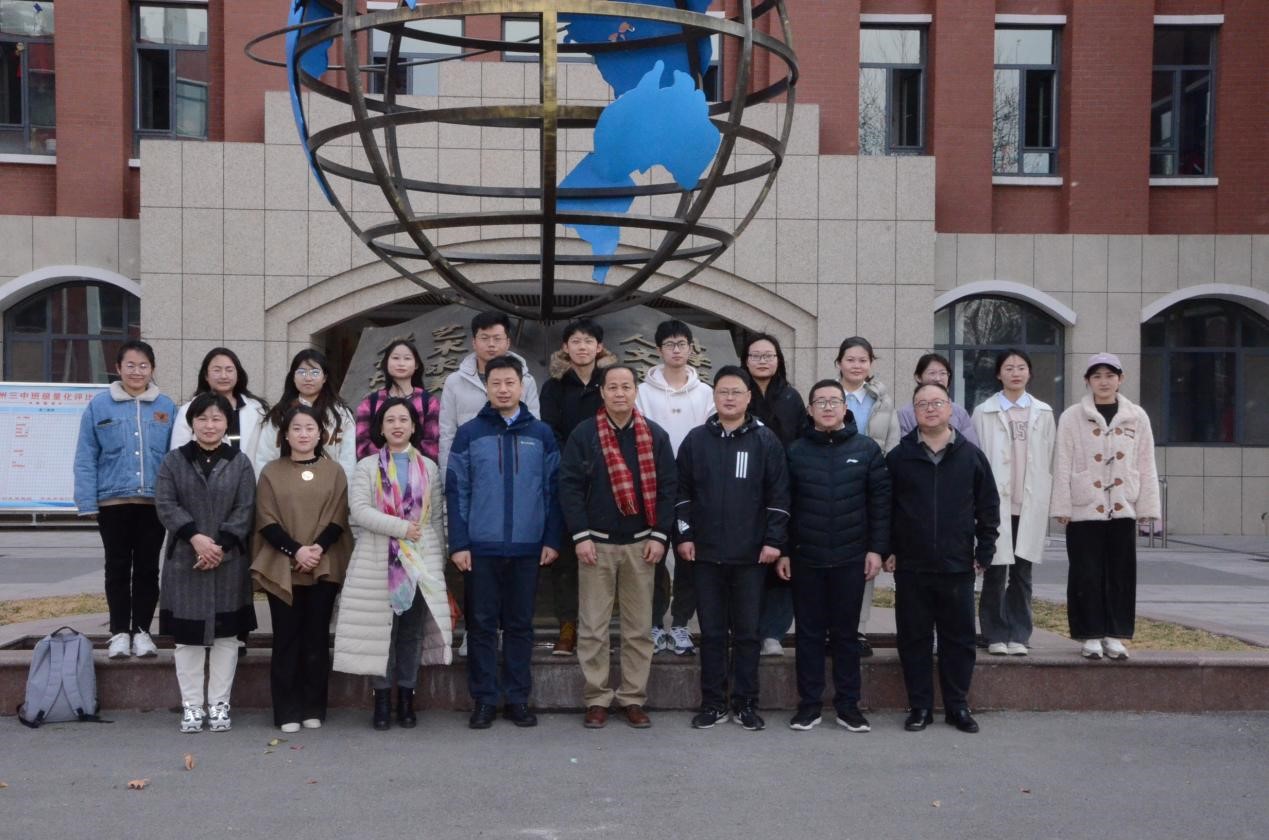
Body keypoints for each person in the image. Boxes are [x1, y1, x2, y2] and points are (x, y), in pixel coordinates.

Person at [445, 355, 562, 729]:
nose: (503, 389)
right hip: (481, 548)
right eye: (495, 383)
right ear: (487, 387)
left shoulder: (541, 434)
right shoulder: (470, 433)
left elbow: (553, 490)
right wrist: (459, 543)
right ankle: (484, 699)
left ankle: (517, 698)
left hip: (528, 547)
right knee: (480, 626)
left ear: (521, 386)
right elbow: (456, 490)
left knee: (520, 625)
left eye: (510, 382)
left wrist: (551, 538)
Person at [559, 365, 677, 730]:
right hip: (596, 544)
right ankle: (597, 698)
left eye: (626, 386)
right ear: (603, 392)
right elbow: (569, 486)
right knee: (593, 627)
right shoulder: (584, 434)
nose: (620, 393)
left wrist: (660, 535)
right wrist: (580, 536)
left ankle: (632, 698)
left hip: (642, 545)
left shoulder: (654, 435)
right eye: (613, 387)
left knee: (638, 628)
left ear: (635, 391)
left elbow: (669, 488)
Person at [675, 366, 790, 731]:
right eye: (723, 391)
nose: (729, 398)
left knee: (747, 633)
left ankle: (745, 702)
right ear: (714, 396)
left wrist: (773, 541)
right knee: (711, 633)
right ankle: (712, 702)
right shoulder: (696, 440)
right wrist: (684, 536)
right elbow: (681, 493)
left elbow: (779, 496)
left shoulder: (765, 440)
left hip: (751, 556)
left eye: (736, 392)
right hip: (705, 555)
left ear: (748, 397)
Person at [885, 383, 999, 734]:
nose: (930, 409)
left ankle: (957, 706)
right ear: (913, 412)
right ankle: (919, 706)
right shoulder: (899, 458)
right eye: (922, 404)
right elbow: (885, 509)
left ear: (950, 409)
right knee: (914, 638)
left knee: (959, 639)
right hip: (912, 565)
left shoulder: (971, 456)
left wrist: (984, 550)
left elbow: (988, 508)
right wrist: (888, 549)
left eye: (937, 402)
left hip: (957, 564)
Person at [778, 379, 890, 733]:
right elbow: (783, 505)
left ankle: (848, 706)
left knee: (846, 636)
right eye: (820, 402)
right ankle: (809, 705)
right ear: (810, 409)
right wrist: (783, 551)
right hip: (806, 558)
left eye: (834, 401)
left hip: (851, 558)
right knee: (808, 635)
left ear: (845, 408)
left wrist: (876, 550)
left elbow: (880, 505)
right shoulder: (795, 451)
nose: (827, 407)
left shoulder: (867, 450)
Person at [334, 398, 451, 730]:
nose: (397, 425)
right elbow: (359, 510)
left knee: (411, 633)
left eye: (403, 420)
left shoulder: (429, 468)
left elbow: (436, 518)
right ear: (381, 428)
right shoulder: (367, 466)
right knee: (383, 632)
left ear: (414, 427)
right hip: (378, 560)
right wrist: (401, 528)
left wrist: (438, 561)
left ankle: (407, 698)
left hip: (420, 561)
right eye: (390, 420)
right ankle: (382, 700)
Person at [155, 393, 257, 733]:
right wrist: (196, 539)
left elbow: (245, 508)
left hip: (228, 561)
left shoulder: (240, 462)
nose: (209, 425)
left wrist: (219, 546)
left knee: (227, 637)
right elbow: (165, 504)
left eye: (216, 419)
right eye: (202, 419)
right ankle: (192, 706)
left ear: (227, 423)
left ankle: (219, 704)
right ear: (191, 423)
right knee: (188, 638)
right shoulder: (174, 461)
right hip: (186, 559)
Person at [1051, 353, 1160, 662]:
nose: (1104, 381)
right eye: (1097, 376)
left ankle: (1115, 635)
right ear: (1087, 381)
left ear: (1120, 379)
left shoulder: (1136, 416)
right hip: (1084, 506)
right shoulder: (1072, 416)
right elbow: (1062, 462)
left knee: (1121, 574)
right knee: (1085, 573)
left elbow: (1146, 462)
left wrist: (1148, 507)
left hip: (1123, 506)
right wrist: (1062, 505)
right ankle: (1090, 635)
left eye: (1110, 375)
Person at [251, 405, 353, 733]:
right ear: (285, 434)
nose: (304, 434)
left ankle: (313, 706)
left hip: (324, 564)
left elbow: (338, 517)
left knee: (316, 638)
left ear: (321, 434)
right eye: (296, 428)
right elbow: (266, 519)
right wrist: (296, 550)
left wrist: (316, 549)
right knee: (286, 639)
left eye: (310, 428)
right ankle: (286, 710)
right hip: (282, 565)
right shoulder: (271, 472)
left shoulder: (334, 471)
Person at [73, 339, 176, 660]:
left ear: (152, 369)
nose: (136, 371)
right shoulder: (99, 406)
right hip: (112, 503)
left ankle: (142, 632)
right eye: (130, 365)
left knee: (147, 569)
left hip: (153, 504)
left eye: (143, 366)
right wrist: (87, 502)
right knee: (116, 568)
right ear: (118, 368)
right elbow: (86, 456)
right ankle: (119, 632)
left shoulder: (166, 407)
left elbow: (176, 458)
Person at [538, 318, 617, 657]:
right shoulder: (554, 387)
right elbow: (550, 431)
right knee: (567, 561)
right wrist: (572, 463)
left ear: (599, 347)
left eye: (588, 341)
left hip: (607, 481)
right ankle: (567, 627)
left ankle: (599, 629)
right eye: (575, 341)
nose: (582, 347)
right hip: (567, 480)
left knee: (604, 559)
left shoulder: (610, 383)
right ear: (565, 348)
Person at [636, 319, 714, 657]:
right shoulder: (642, 392)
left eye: (682, 344)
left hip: (694, 490)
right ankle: (654, 624)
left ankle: (680, 623)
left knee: (688, 557)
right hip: (652, 488)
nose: (677, 350)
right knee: (651, 557)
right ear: (658, 350)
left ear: (691, 348)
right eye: (670, 344)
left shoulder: (706, 393)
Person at [971, 349, 1056, 657]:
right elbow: (976, 459)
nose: (1015, 373)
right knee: (995, 570)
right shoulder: (984, 412)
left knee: (1022, 573)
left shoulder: (1043, 412)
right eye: (1009, 368)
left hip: (1028, 504)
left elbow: (1050, 457)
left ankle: (1019, 634)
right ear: (999, 374)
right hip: (995, 507)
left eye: (1021, 367)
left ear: (1029, 373)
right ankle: (994, 634)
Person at [836, 336, 900, 658]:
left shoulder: (883, 401)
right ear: (839, 363)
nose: (856, 365)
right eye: (850, 359)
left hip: (869, 487)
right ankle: (833, 629)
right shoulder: (829, 395)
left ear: (871, 364)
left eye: (863, 360)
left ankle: (857, 629)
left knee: (865, 561)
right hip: (834, 486)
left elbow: (893, 444)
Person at [742, 332, 805, 658]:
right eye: (755, 355)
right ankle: (747, 629)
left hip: (785, 489)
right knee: (750, 561)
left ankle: (773, 633)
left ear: (779, 360)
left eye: (769, 355)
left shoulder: (791, 397)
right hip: (744, 489)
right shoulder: (738, 393)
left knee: (782, 558)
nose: (762, 361)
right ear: (745, 360)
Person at [438, 310, 541, 474]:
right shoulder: (454, 382)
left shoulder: (526, 381)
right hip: (470, 468)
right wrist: (447, 476)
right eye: (484, 338)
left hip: (515, 468)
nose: (491, 344)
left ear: (508, 342)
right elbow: (447, 434)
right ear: (474, 342)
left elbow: (533, 431)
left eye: (497, 338)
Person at [256, 349, 357, 483]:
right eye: (302, 372)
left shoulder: (340, 414)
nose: (308, 378)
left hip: (329, 486)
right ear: (293, 377)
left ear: (324, 378)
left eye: (315, 372)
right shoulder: (279, 414)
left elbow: (348, 460)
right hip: (286, 486)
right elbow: (265, 457)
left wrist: (344, 490)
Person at [170, 347, 271, 475]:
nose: (224, 376)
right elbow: (179, 456)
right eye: (217, 370)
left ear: (238, 374)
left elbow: (265, 453)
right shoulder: (188, 410)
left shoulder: (256, 410)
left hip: (247, 481)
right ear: (206, 375)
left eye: (229, 370)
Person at [353, 338, 440, 463]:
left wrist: (406, 461)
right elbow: (362, 442)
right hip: (377, 469)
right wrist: (386, 461)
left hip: (418, 469)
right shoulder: (370, 403)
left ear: (416, 365)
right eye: (395, 358)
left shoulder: (429, 402)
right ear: (386, 363)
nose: (401, 363)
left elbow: (432, 443)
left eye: (407, 358)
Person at [896, 353, 980, 447]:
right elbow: (904, 448)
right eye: (932, 373)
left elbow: (971, 447)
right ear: (918, 377)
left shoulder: (959, 412)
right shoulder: (905, 414)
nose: (938, 378)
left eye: (943, 373)